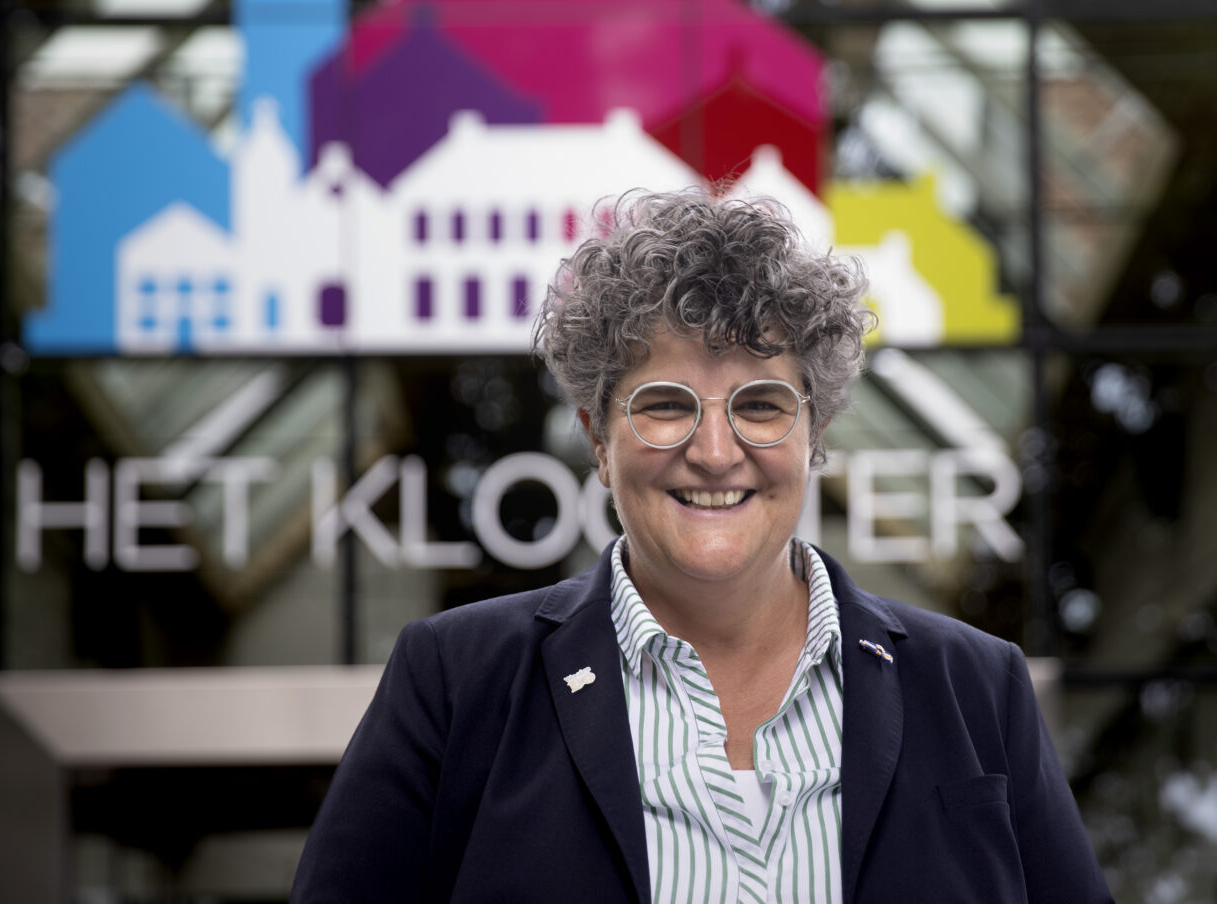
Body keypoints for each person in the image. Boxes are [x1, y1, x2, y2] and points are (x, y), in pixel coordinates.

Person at [290, 191, 1113, 903]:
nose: (715, 453)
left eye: (760, 406)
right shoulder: (456, 682)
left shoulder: (977, 687)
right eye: (664, 404)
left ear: (815, 434)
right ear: (598, 439)